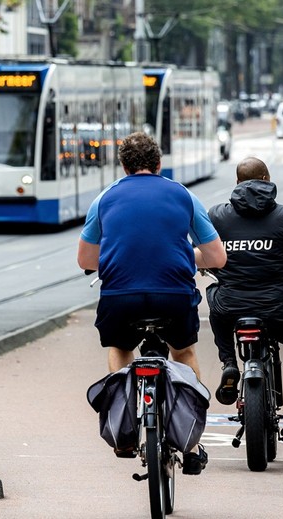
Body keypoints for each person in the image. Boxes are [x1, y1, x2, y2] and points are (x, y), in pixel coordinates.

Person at [76, 131, 227, 476]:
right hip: (173, 296)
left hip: (121, 298)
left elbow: (85, 258)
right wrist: (184, 257)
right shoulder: (183, 195)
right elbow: (217, 258)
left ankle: (124, 430)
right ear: (159, 165)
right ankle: (192, 443)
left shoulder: (105, 198)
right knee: (183, 352)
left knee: (119, 346)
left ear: (124, 167)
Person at [205, 157, 283, 445]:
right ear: (268, 179)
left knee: (214, 301)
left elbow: (201, 250)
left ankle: (229, 363)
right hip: (275, 308)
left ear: (237, 183)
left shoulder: (217, 215)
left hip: (231, 306)